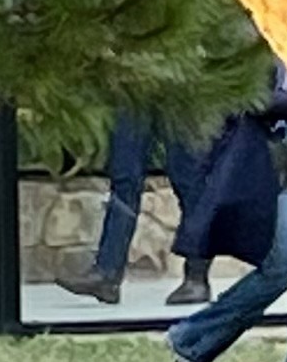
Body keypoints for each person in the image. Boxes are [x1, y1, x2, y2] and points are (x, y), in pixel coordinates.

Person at [164, 82, 287, 362]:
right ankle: (193, 338)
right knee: (283, 265)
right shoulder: (261, 37)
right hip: (266, 160)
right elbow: (245, 94)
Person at [57, 109, 215, 308]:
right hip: (135, 91)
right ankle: (107, 274)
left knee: (189, 182)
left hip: (180, 91)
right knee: (124, 178)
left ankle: (197, 277)